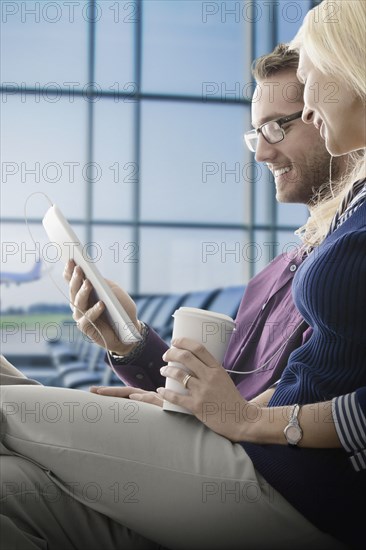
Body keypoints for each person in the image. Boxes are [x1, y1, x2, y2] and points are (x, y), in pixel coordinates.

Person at [1, 3, 365, 549]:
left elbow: (248, 409)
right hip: (221, 456)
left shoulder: (338, 267)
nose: (261, 150)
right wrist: (129, 345)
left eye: (275, 126)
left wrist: (230, 416)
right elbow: (226, 397)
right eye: (254, 133)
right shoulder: (277, 274)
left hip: (270, 480)